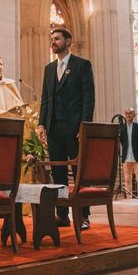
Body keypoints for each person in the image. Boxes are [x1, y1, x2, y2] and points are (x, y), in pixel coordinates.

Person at [36, 27, 95, 230]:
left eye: (57, 38)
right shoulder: (49, 69)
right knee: (58, 172)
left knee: (79, 172)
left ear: (68, 41)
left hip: (74, 127)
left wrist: (84, 124)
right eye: (51, 39)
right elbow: (46, 98)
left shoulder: (82, 65)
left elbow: (88, 97)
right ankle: (62, 215)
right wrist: (41, 124)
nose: (53, 42)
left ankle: (83, 215)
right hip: (54, 128)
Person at [119, 108, 138, 199]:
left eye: (130, 113)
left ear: (134, 115)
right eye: (126, 113)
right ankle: (129, 197)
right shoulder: (122, 128)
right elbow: (122, 142)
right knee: (127, 179)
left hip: (137, 156)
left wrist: (137, 149)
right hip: (126, 157)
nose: (128, 115)